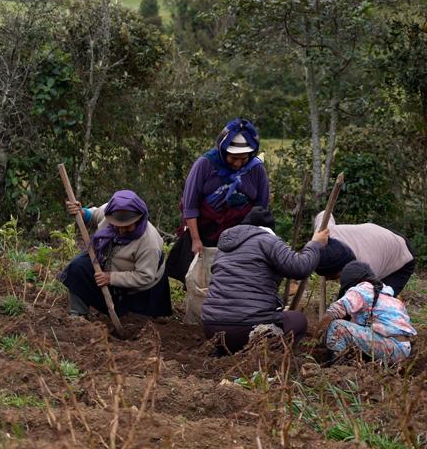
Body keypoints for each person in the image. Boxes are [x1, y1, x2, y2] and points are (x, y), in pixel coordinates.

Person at [200, 207, 328, 354]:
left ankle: (225, 352)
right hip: (247, 328)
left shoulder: (224, 246)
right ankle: (269, 358)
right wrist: (315, 244)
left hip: (212, 328)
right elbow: (300, 267)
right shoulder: (267, 240)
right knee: (299, 320)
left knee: (236, 331)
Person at [166, 119, 270, 282]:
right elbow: (190, 206)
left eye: (243, 159)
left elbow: (261, 209)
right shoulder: (205, 165)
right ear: (223, 150)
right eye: (233, 157)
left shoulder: (256, 170)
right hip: (205, 232)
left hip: (240, 235)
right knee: (202, 279)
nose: (237, 163)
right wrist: (196, 240)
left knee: (237, 280)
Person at [59, 190, 171, 318]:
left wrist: (111, 278)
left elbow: (145, 276)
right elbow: (94, 215)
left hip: (141, 289)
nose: (122, 231)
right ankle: (78, 314)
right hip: (107, 264)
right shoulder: (110, 212)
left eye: (127, 226)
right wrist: (82, 213)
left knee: (134, 321)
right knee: (78, 267)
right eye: (117, 226)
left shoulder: (149, 243)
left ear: (138, 220)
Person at [317, 261, 416, 364]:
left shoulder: (360, 290)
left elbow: (332, 313)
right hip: (403, 349)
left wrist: (313, 340)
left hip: (390, 346)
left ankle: (335, 367)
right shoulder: (389, 296)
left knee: (337, 327)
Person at [311, 212, 415, 296]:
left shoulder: (366, 267)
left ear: (341, 269)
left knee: (380, 301)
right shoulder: (323, 234)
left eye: (329, 276)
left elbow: (364, 298)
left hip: (401, 254)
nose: (327, 280)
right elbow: (324, 214)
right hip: (378, 238)